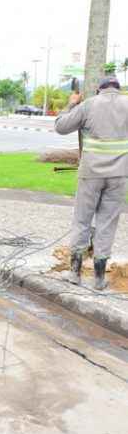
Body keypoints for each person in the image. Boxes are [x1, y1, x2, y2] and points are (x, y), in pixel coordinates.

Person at [55, 76, 128, 290]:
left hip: (90, 174)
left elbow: (61, 126)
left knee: (82, 221)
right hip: (119, 176)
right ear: (118, 89)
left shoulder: (89, 105)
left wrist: (72, 103)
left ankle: (75, 274)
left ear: (99, 90)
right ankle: (98, 278)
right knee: (107, 223)